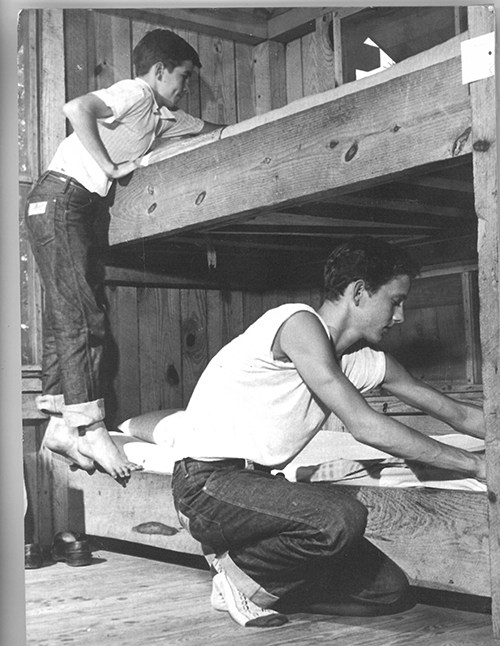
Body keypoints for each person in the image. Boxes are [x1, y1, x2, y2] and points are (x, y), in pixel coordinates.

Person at [171, 235, 486, 628]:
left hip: (260, 489)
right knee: (339, 518)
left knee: (389, 591)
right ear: (358, 293)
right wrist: (476, 466)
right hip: (206, 484)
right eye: (396, 300)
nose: (401, 316)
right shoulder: (298, 323)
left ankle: (247, 579)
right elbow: (363, 424)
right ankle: (242, 576)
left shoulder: (362, 361)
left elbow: (454, 412)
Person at [25, 29, 224, 482]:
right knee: (83, 318)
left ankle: (59, 425)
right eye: (184, 77)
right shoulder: (135, 93)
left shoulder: (161, 115)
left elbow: (207, 130)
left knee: (68, 317)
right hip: (60, 198)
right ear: (158, 72)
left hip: (66, 205)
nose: (186, 87)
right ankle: (90, 427)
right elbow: (77, 108)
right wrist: (110, 166)